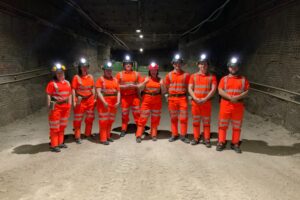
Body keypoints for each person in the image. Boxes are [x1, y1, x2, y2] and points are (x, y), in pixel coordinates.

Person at [217, 57, 250, 153]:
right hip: (225, 105)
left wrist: (237, 97)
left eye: (235, 67)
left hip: (238, 106)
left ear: (238, 67)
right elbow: (220, 90)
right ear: (228, 68)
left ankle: (235, 143)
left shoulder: (243, 80)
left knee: (237, 126)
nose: (233, 69)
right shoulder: (224, 79)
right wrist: (231, 97)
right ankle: (221, 142)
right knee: (222, 125)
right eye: (231, 67)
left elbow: (247, 91)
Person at [188, 54, 217, 147]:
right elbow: (190, 88)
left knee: (206, 122)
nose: (203, 65)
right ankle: (196, 138)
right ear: (198, 65)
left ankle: (206, 138)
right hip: (195, 103)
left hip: (206, 103)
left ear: (207, 65)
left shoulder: (212, 77)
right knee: (196, 122)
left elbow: (213, 89)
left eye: (205, 64)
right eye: (201, 64)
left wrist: (205, 98)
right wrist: (195, 98)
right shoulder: (193, 76)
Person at [135, 62, 165, 143]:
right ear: (149, 71)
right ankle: (139, 135)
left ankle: (153, 134)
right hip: (146, 101)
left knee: (155, 119)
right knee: (142, 119)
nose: (153, 72)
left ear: (157, 70)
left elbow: (163, 92)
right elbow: (139, 87)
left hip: (157, 101)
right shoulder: (145, 78)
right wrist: (145, 82)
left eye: (155, 70)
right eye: (152, 70)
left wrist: (162, 85)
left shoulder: (160, 80)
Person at [165, 54, 190, 144]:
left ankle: (183, 135)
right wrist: (167, 95)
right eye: (176, 63)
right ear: (173, 64)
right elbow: (166, 87)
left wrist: (189, 97)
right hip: (172, 99)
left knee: (183, 118)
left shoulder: (186, 75)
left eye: (179, 63)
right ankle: (174, 134)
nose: (177, 65)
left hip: (182, 98)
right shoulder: (169, 75)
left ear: (181, 64)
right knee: (173, 118)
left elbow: (188, 87)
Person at [46, 63, 72, 152]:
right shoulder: (52, 84)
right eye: (58, 73)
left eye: (61, 72)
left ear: (64, 73)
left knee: (62, 126)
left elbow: (69, 95)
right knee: (55, 127)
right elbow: (49, 95)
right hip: (56, 107)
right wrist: (49, 107)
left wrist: (70, 105)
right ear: (55, 74)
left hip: (65, 107)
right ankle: (54, 145)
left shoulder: (67, 83)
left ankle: (60, 142)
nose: (60, 74)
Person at [115, 55, 143, 137]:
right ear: (123, 65)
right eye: (126, 64)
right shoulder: (119, 75)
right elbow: (116, 85)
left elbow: (141, 85)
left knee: (137, 113)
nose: (128, 65)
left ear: (132, 65)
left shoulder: (137, 74)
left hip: (134, 97)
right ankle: (124, 128)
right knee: (124, 114)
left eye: (130, 64)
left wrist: (137, 87)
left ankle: (139, 128)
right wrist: (125, 87)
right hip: (125, 97)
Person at [72, 58, 96, 144]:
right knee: (78, 119)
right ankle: (77, 136)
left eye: (86, 67)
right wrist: (74, 101)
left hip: (90, 100)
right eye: (83, 67)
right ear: (80, 68)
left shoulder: (90, 77)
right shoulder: (76, 77)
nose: (84, 68)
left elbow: (92, 88)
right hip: (80, 100)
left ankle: (88, 134)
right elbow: (73, 90)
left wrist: (94, 98)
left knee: (90, 118)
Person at [96, 61, 120, 145]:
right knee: (103, 122)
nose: (109, 72)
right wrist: (104, 102)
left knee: (110, 121)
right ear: (104, 71)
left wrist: (118, 101)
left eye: (110, 70)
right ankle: (103, 139)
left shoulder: (115, 80)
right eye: (107, 70)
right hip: (104, 104)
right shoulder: (100, 80)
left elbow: (118, 92)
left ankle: (108, 136)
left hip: (113, 104)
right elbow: (98, 92)